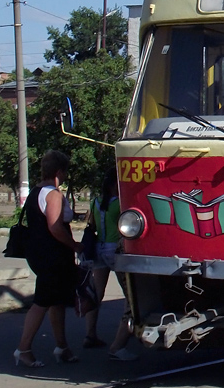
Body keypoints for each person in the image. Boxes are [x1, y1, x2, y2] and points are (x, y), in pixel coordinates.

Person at [14, 150, 82, 368]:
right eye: (65, 173)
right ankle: (23, 349)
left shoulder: (36, 191)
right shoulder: (53, 194)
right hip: (52, 254)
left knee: (57, 301)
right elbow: (55, 227)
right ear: (59, 172)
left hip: (39, 251)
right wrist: (75, 246)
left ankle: (62, 347)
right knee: (42, 301)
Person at [82, 169, 138, 361]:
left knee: (96, 294)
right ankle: (118, 345)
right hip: (115, 251)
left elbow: (93, 226)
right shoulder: (120, 205)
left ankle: (90, 334)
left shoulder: (96, 202)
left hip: (98, 249)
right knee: (131, 297)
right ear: (116, 185)